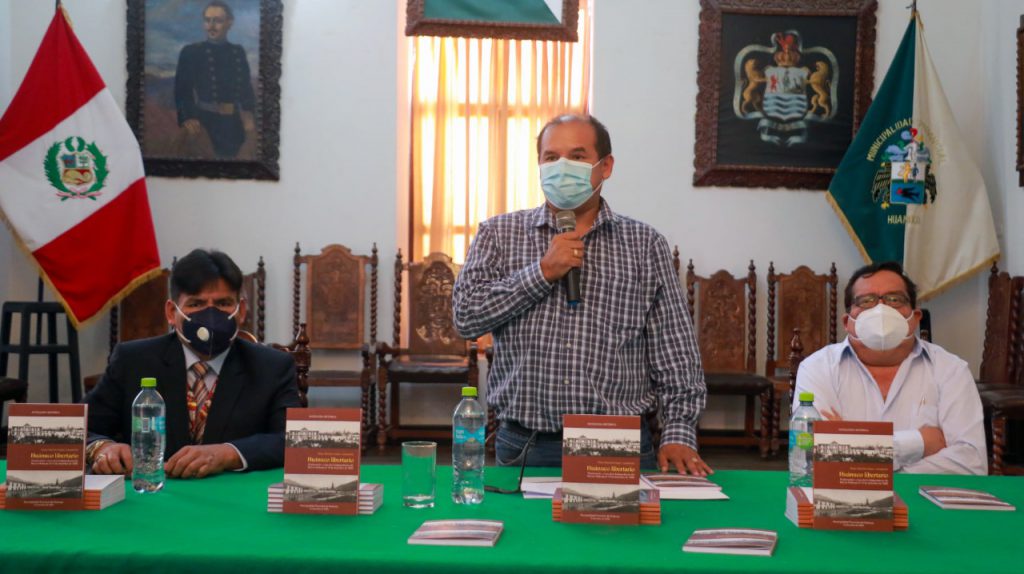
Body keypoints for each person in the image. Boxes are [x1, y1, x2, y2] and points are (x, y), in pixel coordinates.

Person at [452, 114, 711, 476]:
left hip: (619, 445)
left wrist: (679, 431)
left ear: (605, 166)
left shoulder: (644, 244)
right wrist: (541, 273)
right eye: (551, 157)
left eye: (576, 156)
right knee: (527, 535)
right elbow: (466, 316)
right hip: (527, 444)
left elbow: (675, 351)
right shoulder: (498, 234)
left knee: (622, 535)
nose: (562, 168)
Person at [85, 249, 301, 478]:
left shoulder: (272, 366)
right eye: (196, 304)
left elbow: (289, 439)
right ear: (171, 312)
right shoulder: (133, 360)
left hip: (229, 499)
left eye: (223, 303)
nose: (210, 315)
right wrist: (103, 448)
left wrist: (227, 454)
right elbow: (82, 428)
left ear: (242, 311)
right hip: (151, 496)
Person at [794, 261, 987, 475]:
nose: (881, 309)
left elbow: (971, 464)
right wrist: (920, 442)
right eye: (866, 301)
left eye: (895, 300)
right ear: (847, 322)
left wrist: (857, 455)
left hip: (923, 503)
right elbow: (812, 457)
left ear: (915, 318)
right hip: (840, 505)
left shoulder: (951, 370)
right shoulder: (817, 368)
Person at [174, 1, 256, 158]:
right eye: (207, 20)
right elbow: (182, 89)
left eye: (217, 20)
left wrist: (249, 112)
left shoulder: (238, 52)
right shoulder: (191, 52)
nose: (211, 26)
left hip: (234, 122)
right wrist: (188, 116)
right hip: (204, 121)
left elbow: (245, 88)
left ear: (229, 22)